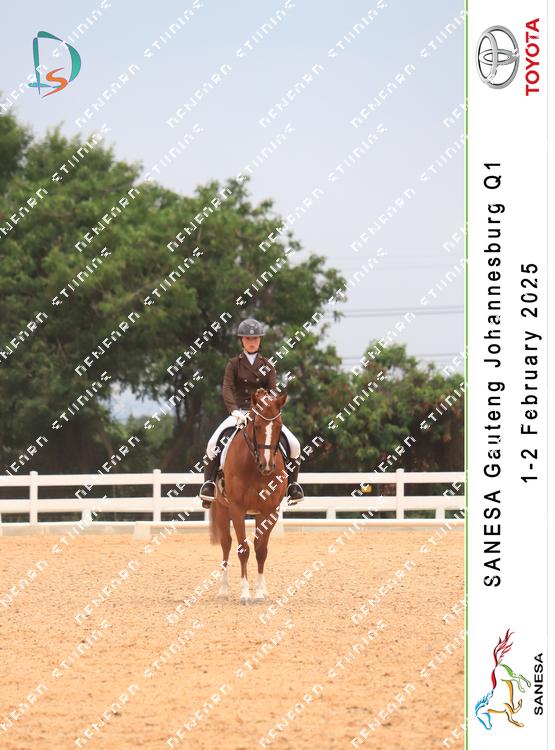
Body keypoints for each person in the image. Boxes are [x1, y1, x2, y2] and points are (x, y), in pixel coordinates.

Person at [198, 317, 304, 508]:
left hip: (263, 415)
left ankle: (293, 486)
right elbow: (227, 388)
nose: (251, 341)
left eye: (255, 338)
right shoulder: (234, 364)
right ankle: (209, 485)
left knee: (294, 445)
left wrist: (267, 409)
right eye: (248, 338)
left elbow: (273, 391)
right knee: (213, 444)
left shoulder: (267, 365)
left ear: (260, 340)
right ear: (242, 340)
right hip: (239, 413)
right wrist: (234, 411)